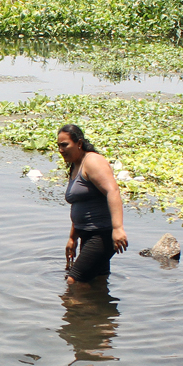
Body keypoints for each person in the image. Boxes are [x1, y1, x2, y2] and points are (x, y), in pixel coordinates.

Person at [57, 123, 127, 287]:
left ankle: (75, 311)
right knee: (98, 282)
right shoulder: (75, 165)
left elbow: (113, 191)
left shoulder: (93, 161)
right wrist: (72, 238)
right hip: (87, 235)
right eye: (59, 145)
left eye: (65, 145)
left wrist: (118, 228)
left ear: (79, 143)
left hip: (102, 235)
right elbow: (80, 204)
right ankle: (99, 311)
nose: (60, 150)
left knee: (73, 282)